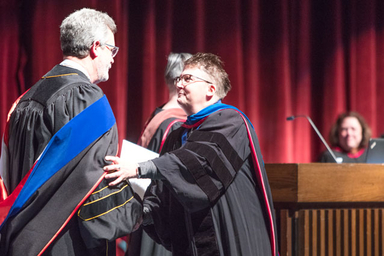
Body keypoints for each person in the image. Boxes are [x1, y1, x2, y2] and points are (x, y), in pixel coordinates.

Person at [104, 52, 278, 256]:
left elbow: (197, 163)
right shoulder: (178, 133)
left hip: (228, 238)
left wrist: (138, 169)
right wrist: (138, 214)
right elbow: (162, 191)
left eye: (187, 79)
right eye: (179, 78)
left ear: (210, 89)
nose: (179, 84)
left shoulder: (231, 122)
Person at [0, 8, 141, 256]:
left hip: (19, 237)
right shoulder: (87, 101)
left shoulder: (25, 99)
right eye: (112, 49)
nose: (113, 58)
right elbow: (95, 179)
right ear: (96, 47)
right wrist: (141, 210)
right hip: (65, 240)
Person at [127, 52, 191, 256]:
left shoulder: (158, 116)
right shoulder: (177, 125)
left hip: (145, 207)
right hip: (164, 219)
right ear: (181, 81)